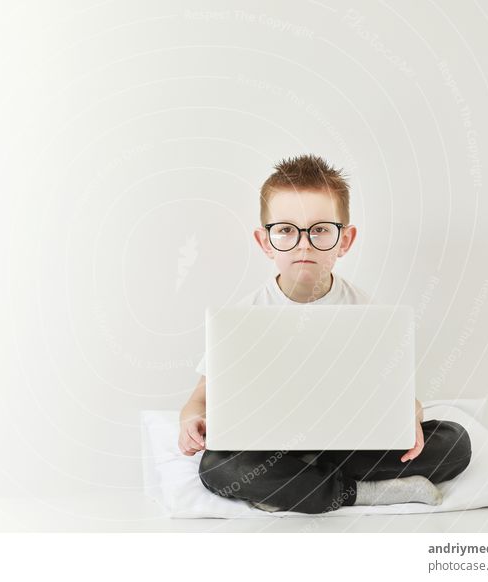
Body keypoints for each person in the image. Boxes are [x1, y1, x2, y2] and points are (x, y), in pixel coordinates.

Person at [178, 154, 472, 514]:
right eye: (286, 230)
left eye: (320, 230)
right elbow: (201, 396)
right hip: (272, 449)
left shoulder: (367, 312)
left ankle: (293, 486)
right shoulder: (242, 316)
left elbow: (396, 395)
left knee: (455, 442)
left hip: (346, 445)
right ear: (265, 241)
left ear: (344, 240)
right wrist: (189, 419)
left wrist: (410, 414)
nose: (304, 244)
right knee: (219, 466)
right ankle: (357, 492)